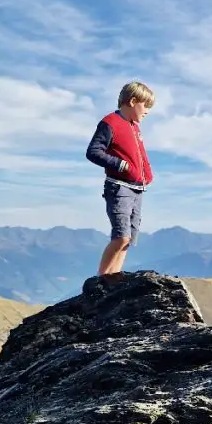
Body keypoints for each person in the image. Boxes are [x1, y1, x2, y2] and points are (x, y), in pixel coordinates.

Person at [85, 81, 155, 281]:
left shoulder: (134, 128)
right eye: (146, 106)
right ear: (133, 101)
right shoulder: (110, 123)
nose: (148, 112)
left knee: (129, 239)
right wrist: (120, 165)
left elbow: (140, 156)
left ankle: (113, 279)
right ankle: (101, 280)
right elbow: (93, 151)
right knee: (121, 235)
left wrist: (147, 174)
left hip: (137, 189)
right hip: (119, 187)